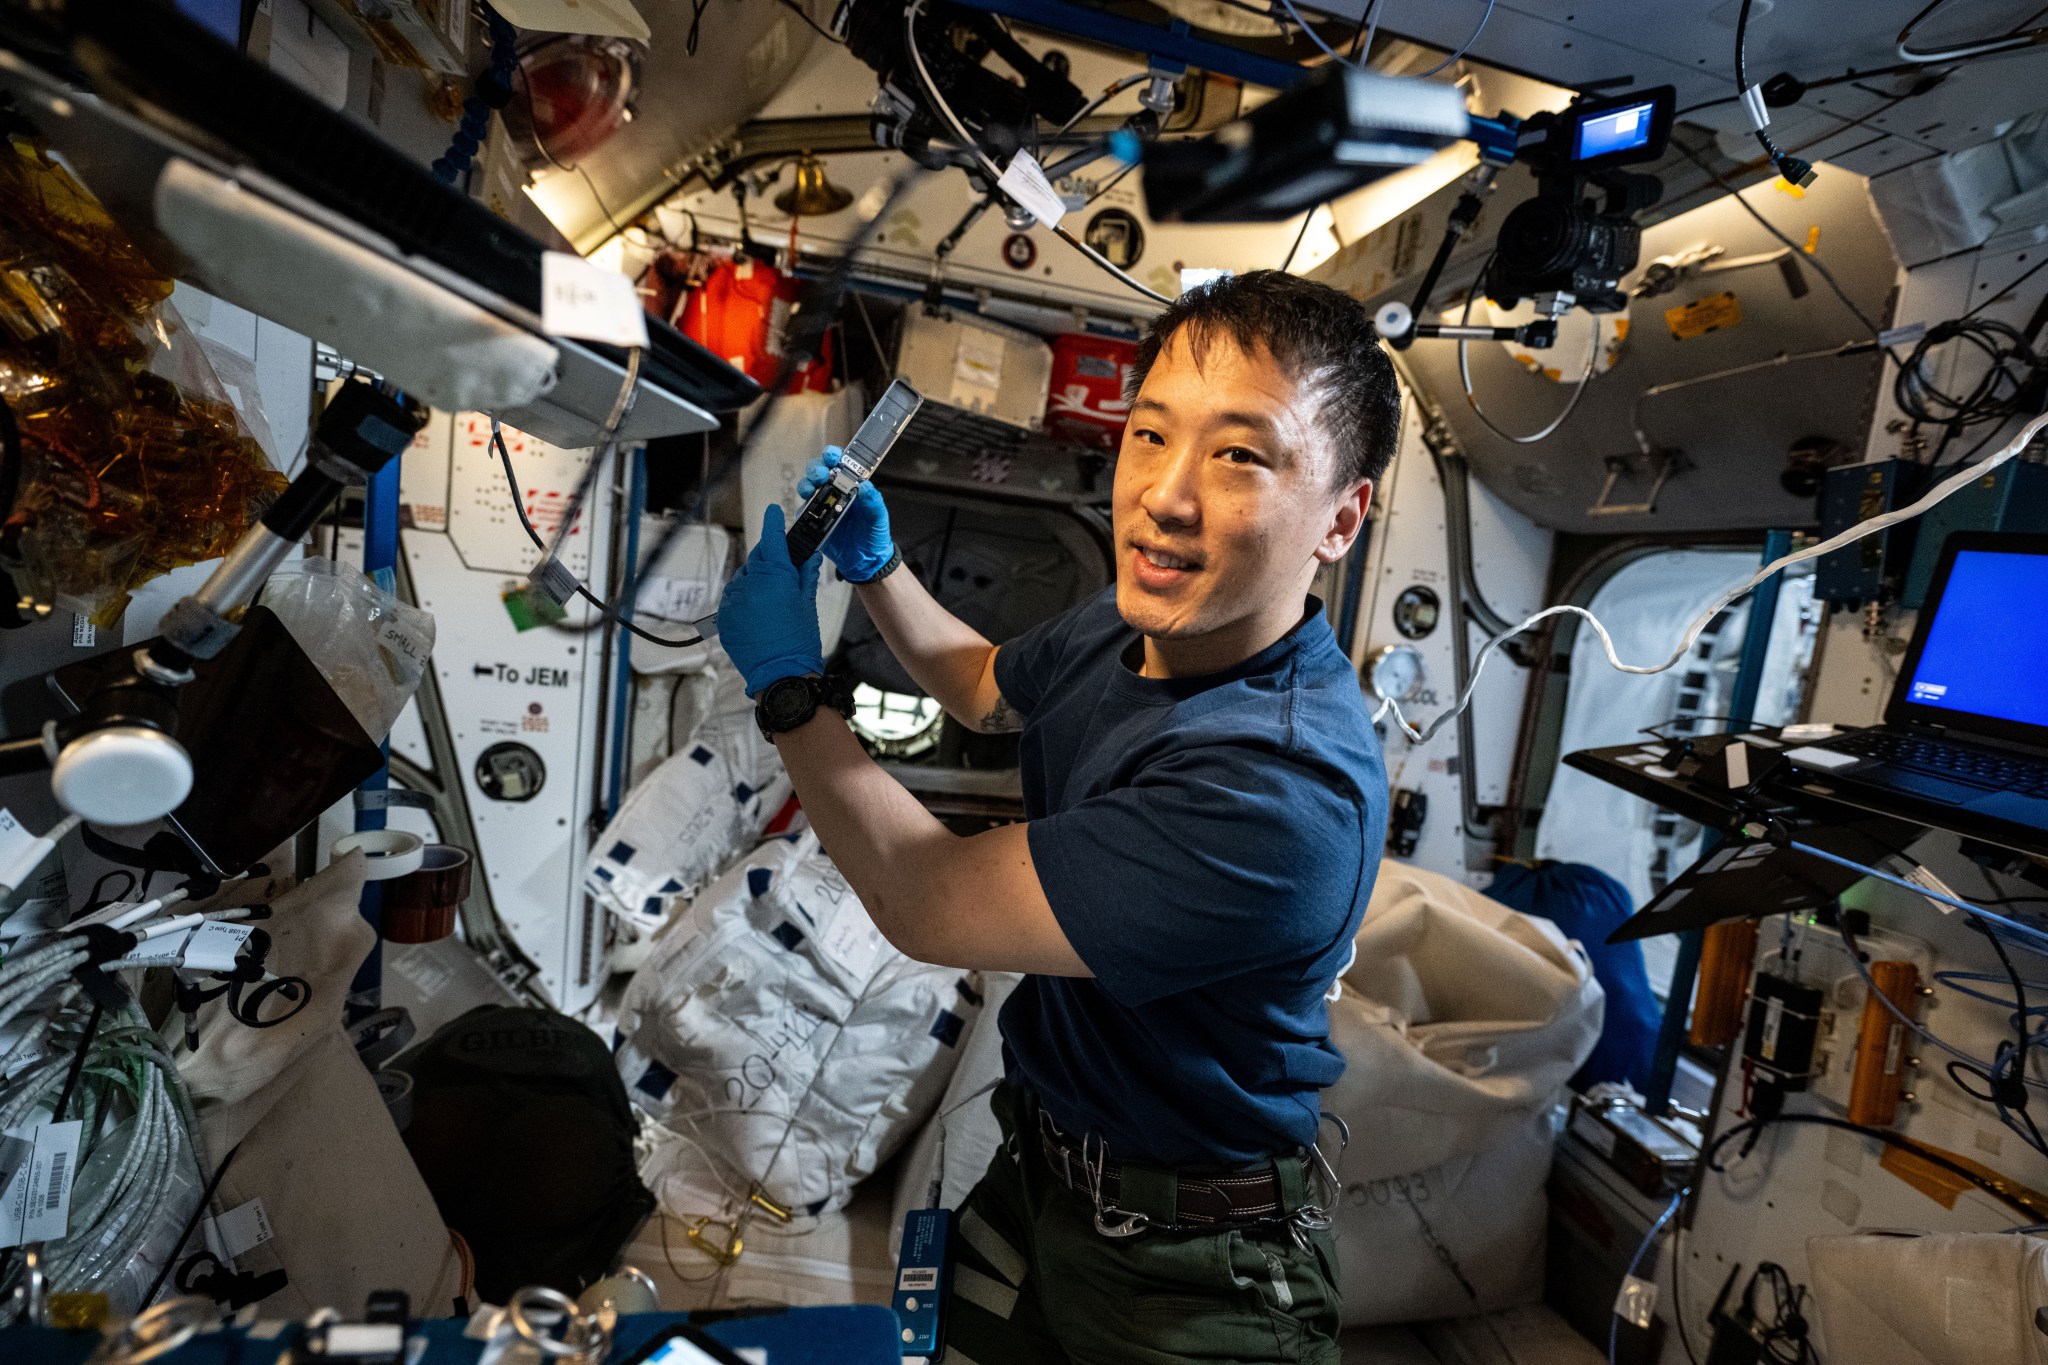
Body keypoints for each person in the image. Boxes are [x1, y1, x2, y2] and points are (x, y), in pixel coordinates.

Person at [715, 270, 1396, 1363]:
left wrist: (791, 692)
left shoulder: (1275, 789)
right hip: (1043, 1172)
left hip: (1193, 1266)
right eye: (1148, 436)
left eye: (1239, 455)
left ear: (1340, 518)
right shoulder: (1134, 626)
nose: (1165, 496)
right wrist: (879, 569)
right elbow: (982, 686)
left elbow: (926, 901)